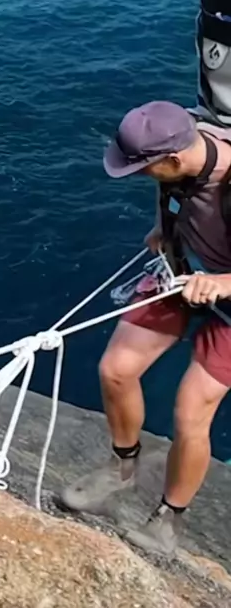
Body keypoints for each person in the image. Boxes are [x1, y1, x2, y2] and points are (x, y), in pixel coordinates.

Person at [59, 100, 231, 554]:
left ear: (173, 158)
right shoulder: (185, 152)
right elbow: (174, 192)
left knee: (190, 412)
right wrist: (162, 228)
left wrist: (221, 283)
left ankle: (169, 518)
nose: (138, 175)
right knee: (116, 369)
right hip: (183, 272)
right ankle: (121, 469)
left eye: (143, 168)